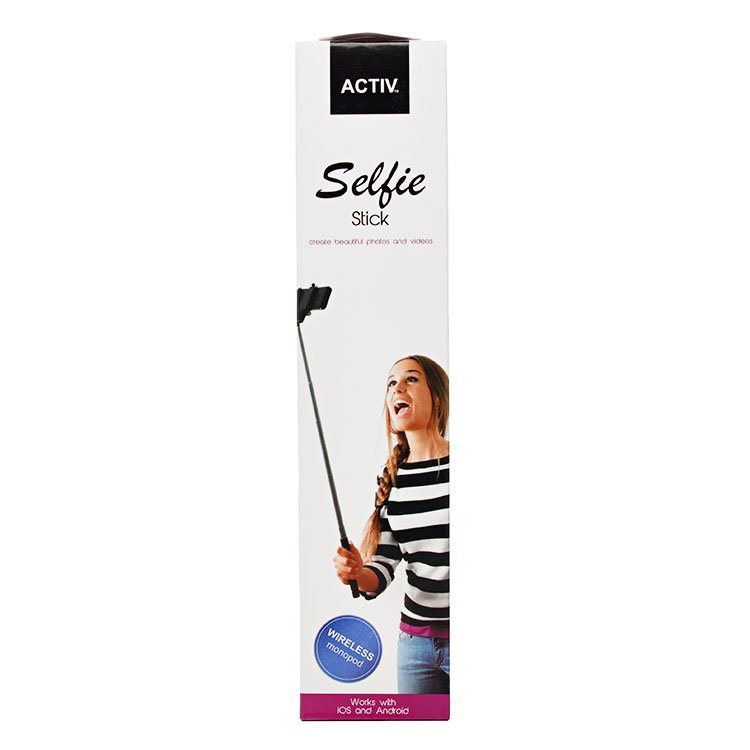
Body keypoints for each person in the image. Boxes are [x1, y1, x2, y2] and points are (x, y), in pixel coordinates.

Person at [333, 355, 450, 693]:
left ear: (437, 398)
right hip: (415, 647)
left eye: (411, 379)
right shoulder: (393, 481)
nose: (397, 388)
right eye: (391, 383)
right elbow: (382, 570)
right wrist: (356, 572)